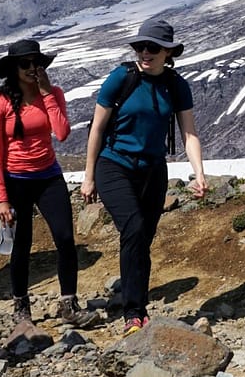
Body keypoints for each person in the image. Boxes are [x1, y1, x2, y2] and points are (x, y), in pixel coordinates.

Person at [81, 18, 207, 336]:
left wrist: (199, 173)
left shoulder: (176, 85)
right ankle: (133, 313)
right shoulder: (120, 78)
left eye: (152, 47)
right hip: (114, 164)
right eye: (140, 46)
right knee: (134, 229)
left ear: (167, 52)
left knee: (143, 239)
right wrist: (89, 175)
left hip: (153, 169)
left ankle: (138, 308)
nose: (144, 53)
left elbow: (189, 133)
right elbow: (97, 128)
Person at [0, 38, 102, 327]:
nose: (31, 68)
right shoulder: (0, 103)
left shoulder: (53, 94)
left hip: (49, 175)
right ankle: (21, 307)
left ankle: (69, 303)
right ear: (13, 68)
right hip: (16, 180)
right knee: (22, 243)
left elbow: (62, 132)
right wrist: (1, 198)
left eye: (36, 63)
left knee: (65, 238)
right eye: (25, 64)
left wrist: (47, 93)